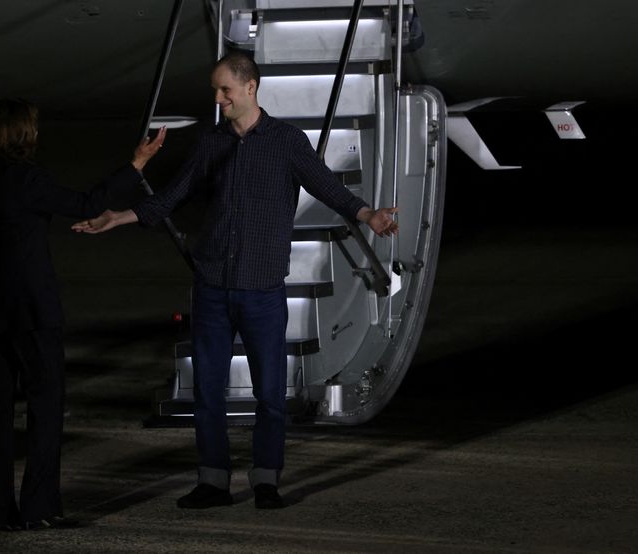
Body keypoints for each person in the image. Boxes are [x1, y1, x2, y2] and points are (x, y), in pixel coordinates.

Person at [72, 52, 397, 510]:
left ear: (250, 87)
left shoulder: (286, 142)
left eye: (225, 90)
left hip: (262, 290)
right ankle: (213, 482)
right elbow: (173, 196)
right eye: (216, 90)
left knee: (269, 394)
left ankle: (266, 480)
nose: (218, 98)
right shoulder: (212, 143)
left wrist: (368, 215)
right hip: (212, 288)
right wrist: (120, 217)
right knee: (208, 391)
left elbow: (328, 187)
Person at [0, 97, 166, 530]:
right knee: (45, 407)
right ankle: (39, 509)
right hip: (31, 310)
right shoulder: (29, 179)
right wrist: (136, 164)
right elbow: (89, 202)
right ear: (20, 135)